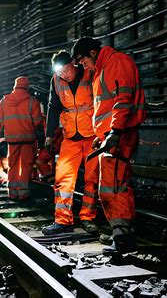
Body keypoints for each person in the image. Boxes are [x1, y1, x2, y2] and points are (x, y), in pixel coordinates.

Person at [71, 37, 147, 254]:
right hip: (111, 134)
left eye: (83, 60)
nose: (83, 66)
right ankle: (120, 233)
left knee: (114, 186)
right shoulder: (102, 70)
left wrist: (114, 131)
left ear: (93, 53)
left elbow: (123, 100)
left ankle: (124, 240)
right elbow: (106, 107)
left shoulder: (117, 62)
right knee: (109, 186)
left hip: (120, 134)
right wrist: (101, 134)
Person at [41, 50, 100, 235]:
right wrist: (49, 135)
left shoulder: (90, 74)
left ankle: (87, 218)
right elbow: (53, 107)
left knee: (92, 178)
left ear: (73, 64)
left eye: (65, 70)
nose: (63, 75)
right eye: (59, 72)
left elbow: (102, 101)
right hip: (70, 137)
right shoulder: (56, 81)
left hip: (92, 135)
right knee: (62, 178)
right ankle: (63, 220)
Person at [0, 76, 45, 201]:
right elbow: (38, 124)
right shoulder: (32, 101)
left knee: (12, 165)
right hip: (28, 140)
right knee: (26, 166)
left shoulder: (4, 101)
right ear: (27, 86)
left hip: (12, 141)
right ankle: (23, 193)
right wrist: (41, 141)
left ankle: (12, 193)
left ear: (15, 86)